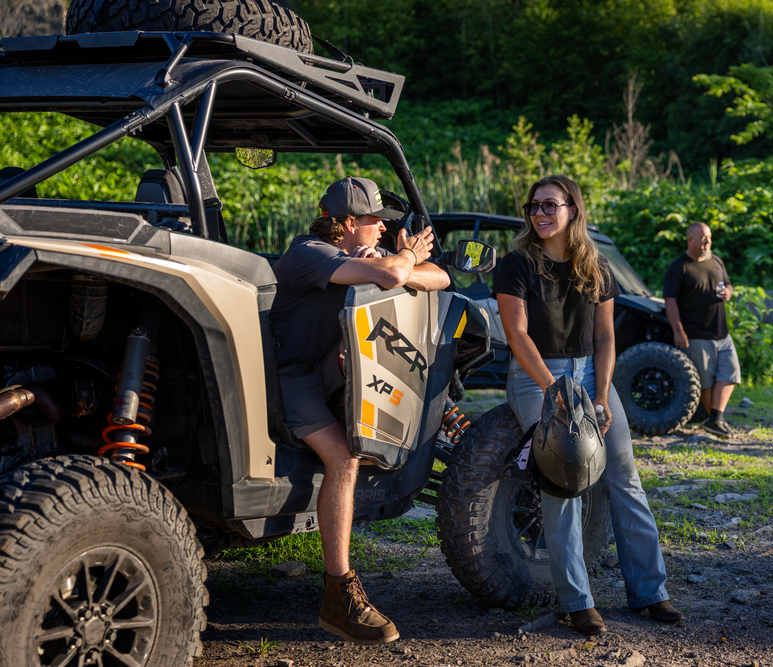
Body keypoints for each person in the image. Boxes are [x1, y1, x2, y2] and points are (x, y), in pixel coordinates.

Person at [494, 174, 684, 636]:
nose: (539, 214)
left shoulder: (596, 266)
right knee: (562, 482)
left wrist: (600, 394)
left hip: (590, 375)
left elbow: (605, 337)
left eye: (549, 205)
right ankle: (578, 602)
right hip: (536, 374)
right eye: (533, 206)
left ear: (573, 210)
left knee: (625, 479)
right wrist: (550, 387)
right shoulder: (516, 264)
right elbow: (517, 335)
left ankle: (650, 592)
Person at [270, 177, 450, 644]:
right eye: (376, 223)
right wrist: (404, 259)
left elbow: (442, 278)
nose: (383, 232)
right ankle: (338, 594)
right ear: (348, 223)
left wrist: (398, 264)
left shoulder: (354, 256)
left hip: (324, 373)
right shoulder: (307, 252)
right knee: (343, 458)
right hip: (289, 375)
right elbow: (396, 275)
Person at [663, 222, 742, 438]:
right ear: (690, 240)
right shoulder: (679, 267)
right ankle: (714, 420)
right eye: (703, 238)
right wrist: (678, 331)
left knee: (730, 374)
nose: (707, 241)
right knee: (705, 381)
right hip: (696, 334)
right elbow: (670, 301)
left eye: (709, 237)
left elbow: (728, 284)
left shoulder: (716, 261)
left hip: (722, 333)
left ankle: (715, 418)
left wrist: (728, 291)